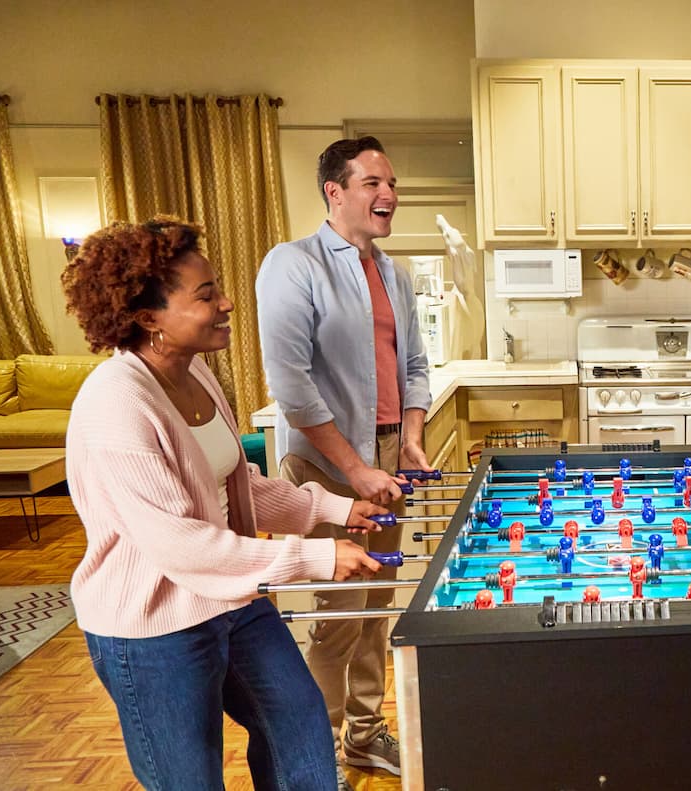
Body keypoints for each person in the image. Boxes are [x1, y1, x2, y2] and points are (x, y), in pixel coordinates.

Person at [60, 216, 386, 791]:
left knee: (301, 724)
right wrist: (314, 559)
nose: (227, 303)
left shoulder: (196, 374)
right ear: (147, 317)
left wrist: (333, 509)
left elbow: (234, 485)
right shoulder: (117, 404)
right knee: (191, 778)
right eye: (206, 295)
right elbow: (181, 545)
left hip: (231, 597)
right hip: (153, 625)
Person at [255, 135, 432, 788]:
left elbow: (414, 367)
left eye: (392, 185)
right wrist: (355, 469)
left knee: (376, 607)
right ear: (334, 191)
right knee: (338, 617)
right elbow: (293, 387)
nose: (388, 195)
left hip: (386, 460)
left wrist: (409, 440)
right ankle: (319, 752)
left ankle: (363, 732)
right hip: (328, 470)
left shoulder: (394, 273)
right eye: (372, 184)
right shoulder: (292, 265)